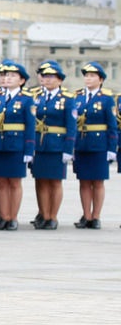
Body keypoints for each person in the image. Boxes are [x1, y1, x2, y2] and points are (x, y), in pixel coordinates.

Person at [0, 61, 35, 231]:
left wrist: (29, 149)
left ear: (21, 81)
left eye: (13, 76)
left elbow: (30, 126)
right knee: (0, 181)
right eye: (6, 75)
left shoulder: (27, 99)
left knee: (14, 182)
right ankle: (3, 215)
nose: (7, 78)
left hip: (16, 145)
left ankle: (13, 217)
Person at [28, 61, 76, 229]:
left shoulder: (67, 99)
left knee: (55, 181)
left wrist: (68, 148)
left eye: (51, 77)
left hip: (57, 145)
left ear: (60, 80)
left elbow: (71, 125)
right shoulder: (35, 96)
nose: (47, 80)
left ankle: (53, 216)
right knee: (40, 180)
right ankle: (44, 214)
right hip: (39, 144)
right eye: (45, 76)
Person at [71, 61, 116, 228]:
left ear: (100, 79)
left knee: (97, 182)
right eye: (86, 76)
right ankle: (86, 215)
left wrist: (112, 148)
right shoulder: (77, 98)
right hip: (81, 144)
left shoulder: (106, 99)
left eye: (92, 76)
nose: (88, 79)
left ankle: (96, 216)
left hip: (99, 145)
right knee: (83, 181)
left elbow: (112, 126)